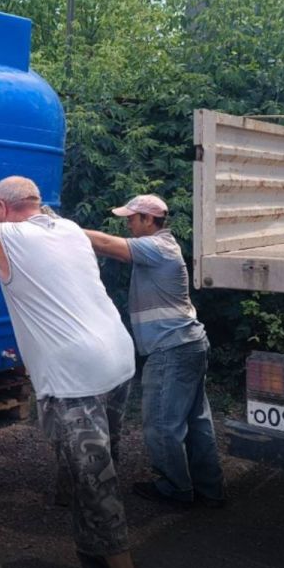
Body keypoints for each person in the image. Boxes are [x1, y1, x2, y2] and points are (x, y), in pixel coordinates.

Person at [0, 172, 137, 568]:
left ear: (1, 209)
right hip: (120, 357)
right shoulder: (70, 229)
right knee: (101, 456)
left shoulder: (8, 236)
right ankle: (83, 532)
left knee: (97, 484)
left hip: (76, 374)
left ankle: (121, 565)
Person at [83, 194, 225, 509]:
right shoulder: (162, 248)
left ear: (149, 220)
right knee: (196, 421)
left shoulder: (158, 247)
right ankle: (209, 490)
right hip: (189, 344)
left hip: (171, 349)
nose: (128, 223)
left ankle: (175, 489)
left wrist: (62, 231)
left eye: (132, 219)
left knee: (162, 424)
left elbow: (107, 245)